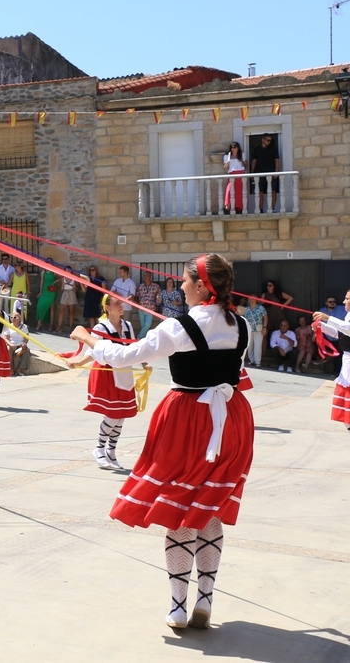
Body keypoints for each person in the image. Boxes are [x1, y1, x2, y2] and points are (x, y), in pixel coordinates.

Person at [70, 253, 252, 630]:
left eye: (185, 281)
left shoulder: (180, 326)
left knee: (180, 510)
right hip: (231, 419)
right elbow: (233, 370)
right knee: (209, 508)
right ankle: (205, 598)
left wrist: (89, 339)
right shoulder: (241, 325)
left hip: (188, 419)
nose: (181, 286)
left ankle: (178, 606)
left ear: (202, 286)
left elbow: (124, 356)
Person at [69, 295, 139, 470]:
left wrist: (144, 363)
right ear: (107, 307)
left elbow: (133, 348)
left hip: (124, 372)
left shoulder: (128, 326)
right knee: (113, 414)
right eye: (117, 303)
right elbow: (93, 351)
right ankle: (99, 449)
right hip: (108, 374)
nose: (121, 305)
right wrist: (78, 362)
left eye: (121, 303)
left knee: (121, 414)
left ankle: (111, 451)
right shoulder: (101, 327)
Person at [314, 291, 350, 431]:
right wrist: (321, 326)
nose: (344, 301)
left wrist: (328, 318)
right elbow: (340, 333)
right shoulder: (347, 316)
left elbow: (348, 330)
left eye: (347, 299)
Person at [250, 134, 281, 213]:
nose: (269, 142)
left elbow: (277, 160)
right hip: (260, 173)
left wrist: (276, 172)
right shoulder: (257, 149)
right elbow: (254, 161)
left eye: (270, 140)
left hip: (271, 173)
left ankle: (273, 208)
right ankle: (260, 209)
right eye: (267, 140)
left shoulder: (273, 149)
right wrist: (252, 172)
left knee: (273, 191)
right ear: (262, 140)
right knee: (260, 191)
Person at [134, 270, 162, 338]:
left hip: (150, 309)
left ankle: (138, 338)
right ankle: (144, 341)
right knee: (143, 326)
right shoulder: (140, 286)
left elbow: (159, 299)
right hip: (141, 309)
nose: (145, 277)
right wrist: (137, 305)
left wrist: (158, 299)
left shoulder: (156, 286)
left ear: (150, 277)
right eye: (144, 275)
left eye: (147, 275)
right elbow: (136, 297)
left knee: (147, 325)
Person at [241, 296, 266, 367]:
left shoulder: (261, 308)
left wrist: (264, 327)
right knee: (250, 346)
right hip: (249, 330)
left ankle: (258, 362)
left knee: (258, 345)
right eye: (249, 299)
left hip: (258, 330)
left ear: (256, 300)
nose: (251, 300)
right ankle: (252, 360)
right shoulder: (246, 309)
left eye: (253, 299)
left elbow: (265, 317)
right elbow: (238, 312)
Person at [4, 311, 31, 377]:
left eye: (15, 317)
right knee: (8, 349)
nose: (13, 319)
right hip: (12, 344)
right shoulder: (9, 326)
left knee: (27, 351)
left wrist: (24, 343)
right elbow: (6, 338)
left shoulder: (24, 327)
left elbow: (26, 337)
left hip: (20, 345)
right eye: (11, 317)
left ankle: (19, 370)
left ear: (19, 319)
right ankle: (11, 369)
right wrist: (10, 344)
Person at [223, 142, 247, 213]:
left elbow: (246, 163)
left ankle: (239, 208)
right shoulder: (227, 156)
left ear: (238, 148)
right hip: (232, 174)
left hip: (240, 174)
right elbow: (224, 168)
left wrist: (245, 170)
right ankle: (227, 207)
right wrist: (227, 162)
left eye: (235, 148)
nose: (233, 149)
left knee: (239, 192)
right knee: (229, 190)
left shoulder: (242, 155)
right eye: (232, 148)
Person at [55, 267, 79, 333]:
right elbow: (61, 289)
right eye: (66, 270)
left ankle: (70, 328)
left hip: (72, 293)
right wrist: (63, 285)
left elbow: (77, 289)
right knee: (61, 311)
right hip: (65, 293)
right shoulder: (63, 278)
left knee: (71, 312)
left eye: (68, 270)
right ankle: (59, 327)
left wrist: (75, 287)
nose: (67, 271)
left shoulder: (74, 278)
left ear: (71, 271)